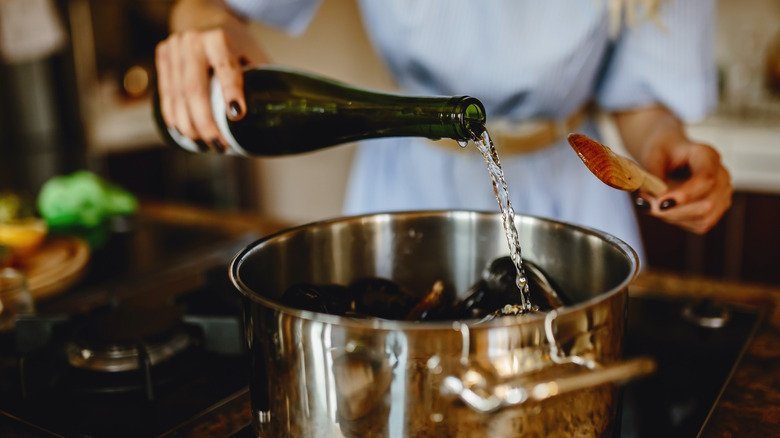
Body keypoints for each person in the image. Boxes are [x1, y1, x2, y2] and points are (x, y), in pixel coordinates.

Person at [154, 0, 733, 260]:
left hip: (571, 198)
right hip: (406, 182)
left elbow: (642, 102)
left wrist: (667, 148)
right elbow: (207, 7)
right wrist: (199, 25)